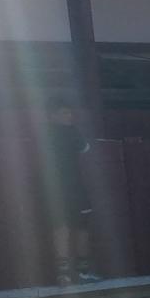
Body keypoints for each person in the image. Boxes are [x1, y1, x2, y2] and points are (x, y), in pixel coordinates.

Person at [42, 103, 99, 285]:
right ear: (53, 115)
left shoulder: (45, 133)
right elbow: (86, 148)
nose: (69, 116)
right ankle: (82, 272)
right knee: (79, 228)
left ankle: (64, 274)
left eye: (70, 112)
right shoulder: (72, 132)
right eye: (64, 112)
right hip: (73, 187)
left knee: (62, 228)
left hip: (54, 188)